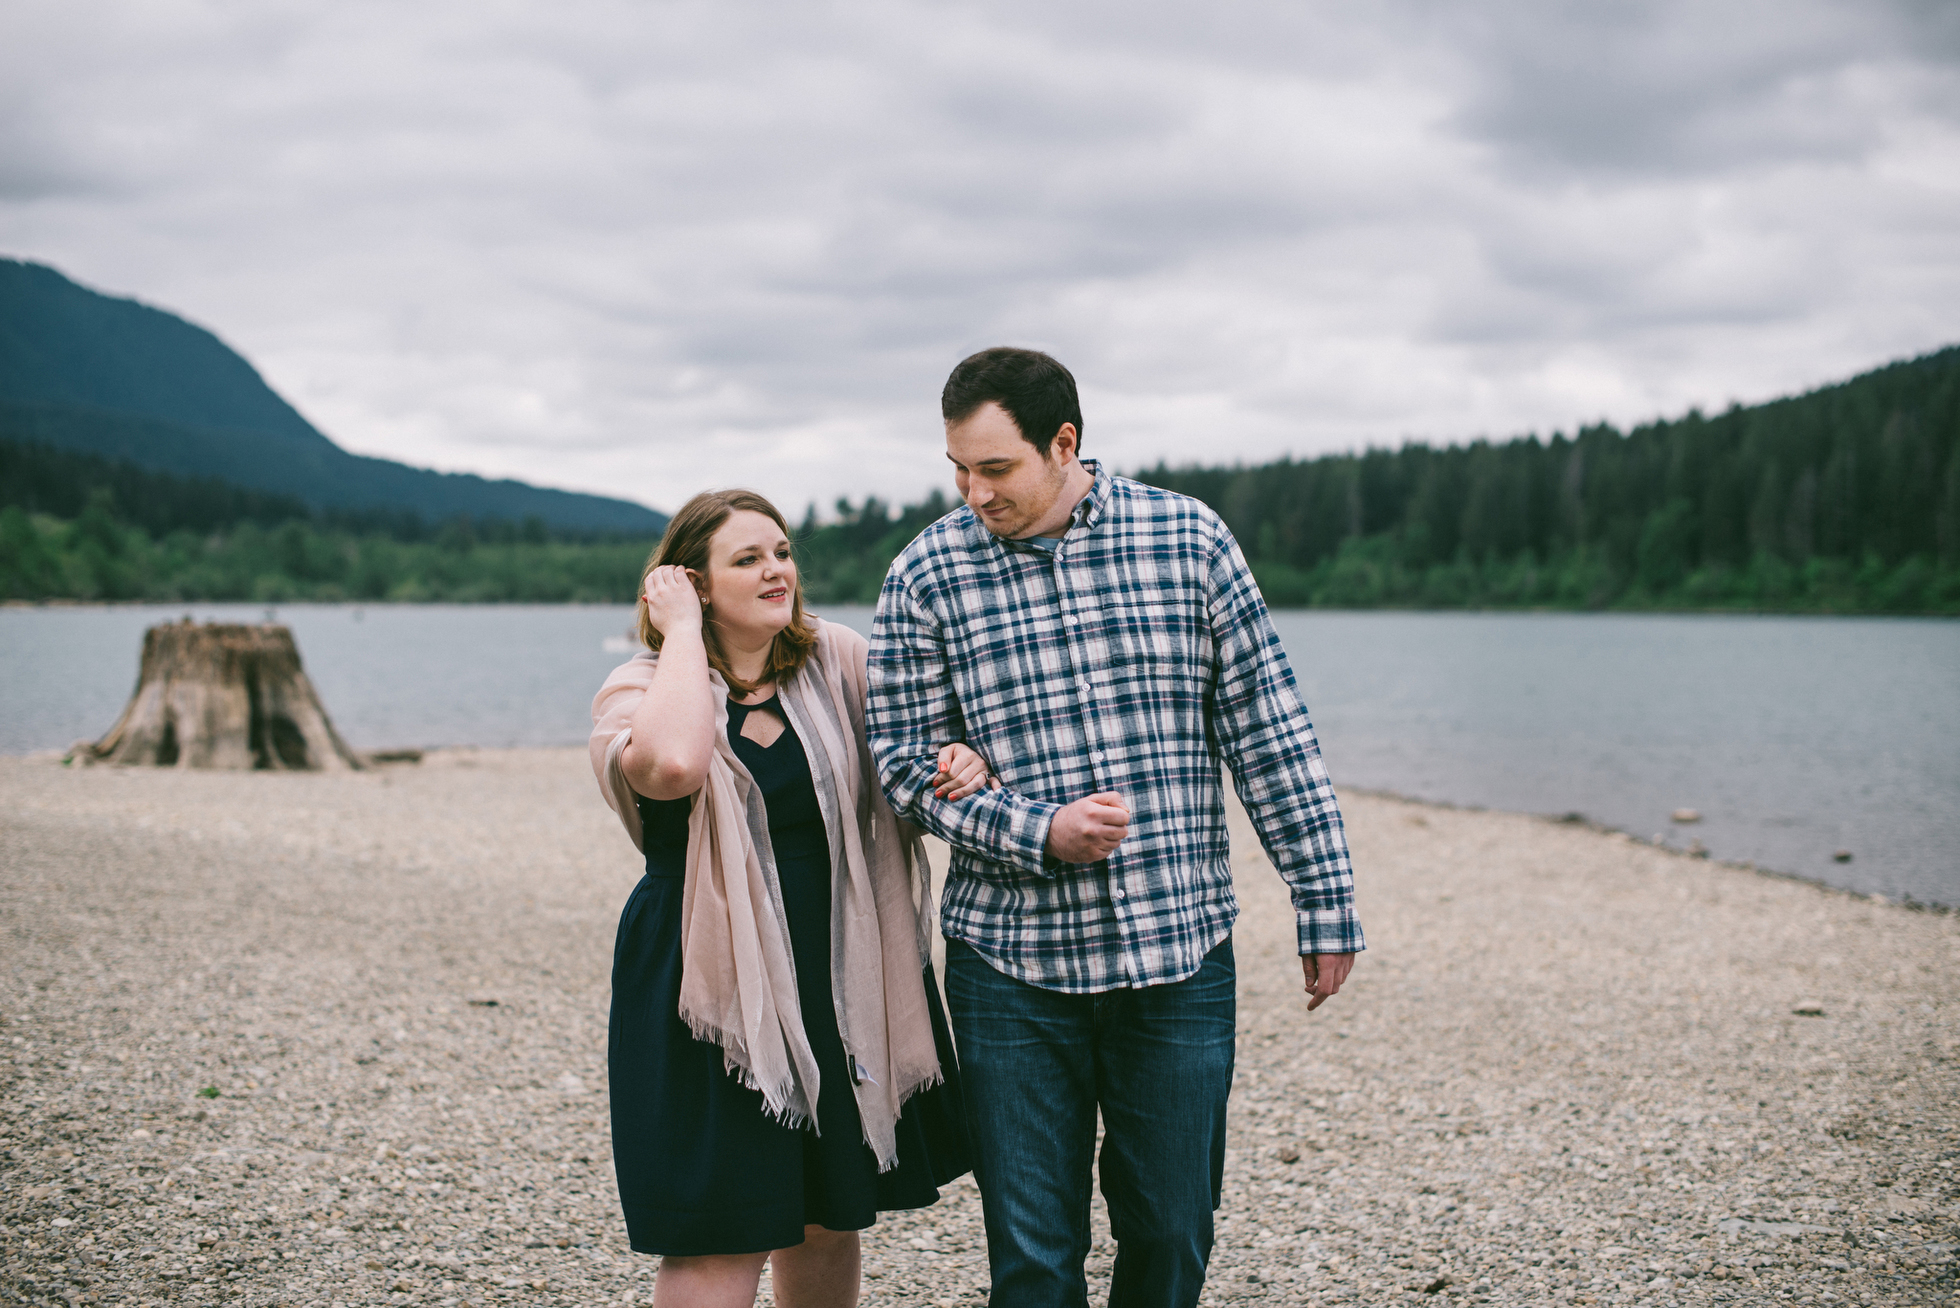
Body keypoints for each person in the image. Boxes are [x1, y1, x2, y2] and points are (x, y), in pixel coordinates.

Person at [865, 347, 1365, 1308]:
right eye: (958, 470)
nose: (974, 493)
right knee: (1033, 1261)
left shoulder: (1189, 539)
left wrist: (1326, 898)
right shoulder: (925, 573)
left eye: (996, 468)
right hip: (1011, 970)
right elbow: (899, 763)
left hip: (1176, 955)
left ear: (1065, 443)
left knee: (1172, 1235)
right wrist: (1034, 831)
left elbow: (1269, 729)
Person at [589, 489, 979, 1308]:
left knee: (828, 1216)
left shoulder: (836, 660)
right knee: (719, 1233)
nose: (777, 572)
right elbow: (673, 768)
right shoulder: (641, 687)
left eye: (782, 551)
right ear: (693, 584)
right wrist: (688, 636)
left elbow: (927, 733)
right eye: (748, 559)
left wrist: (960, 758)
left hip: (839, 966)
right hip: (706, 981)